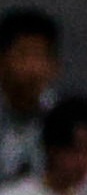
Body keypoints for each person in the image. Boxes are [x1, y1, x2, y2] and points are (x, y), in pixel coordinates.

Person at [0, 9, 60, 183]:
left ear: (54, 66)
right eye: (23, 55)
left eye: (41, 57)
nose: (33, 69)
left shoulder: (61, 118)